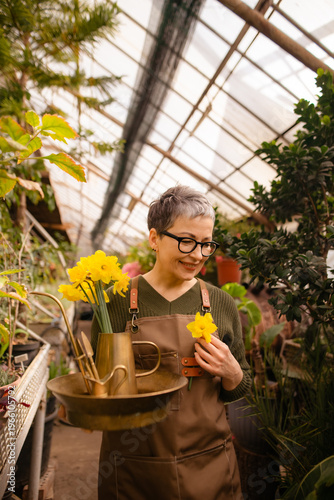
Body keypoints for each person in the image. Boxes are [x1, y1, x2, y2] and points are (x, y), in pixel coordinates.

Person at [91, 185, 251, 500]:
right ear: (155, 238)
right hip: (132, 469)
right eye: (187, 241)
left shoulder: (221, 303)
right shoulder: (115, 303)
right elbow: (98, 381)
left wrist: (233, 373)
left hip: (209, 464)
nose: (198, 255)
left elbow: (241, 385)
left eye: (206, 244)